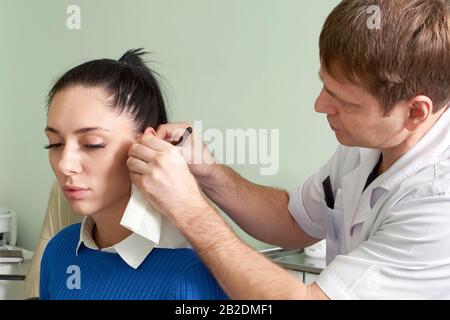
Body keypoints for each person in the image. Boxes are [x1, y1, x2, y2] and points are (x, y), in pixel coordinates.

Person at [127, 0, 450, 299]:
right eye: (325, 85)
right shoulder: (370, 144)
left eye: (345, 103)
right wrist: (208, 172)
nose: (320, 105)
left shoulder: (437, 203)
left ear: (415, 112)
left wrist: (190, 211)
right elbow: (294, 220)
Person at [39, 49, 228, 300]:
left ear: (147, 147)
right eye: (55, 144)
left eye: (92, 143)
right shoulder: (58, 252)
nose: (65, 164)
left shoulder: (190, 275)